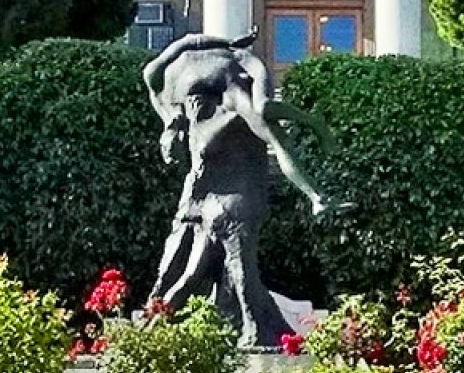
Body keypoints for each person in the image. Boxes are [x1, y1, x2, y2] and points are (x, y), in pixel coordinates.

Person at [140, 32, 335, 346]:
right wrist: (225, 45)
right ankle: (155, 329)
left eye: (171, 149)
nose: (173, 150)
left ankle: (315, 146)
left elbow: (182, 43)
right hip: (207, 207)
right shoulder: (184, 116)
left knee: (264, 110)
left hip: (236, 69)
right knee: (189, 275)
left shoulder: (188, 93)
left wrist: (219, 44)